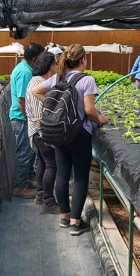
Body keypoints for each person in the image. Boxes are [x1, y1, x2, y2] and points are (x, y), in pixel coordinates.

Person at [32, 44, 109, 236]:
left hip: (59, 132)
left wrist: (57, 109)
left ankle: (65, 217)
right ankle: (76, 222)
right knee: (81, 176)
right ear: (83, 59)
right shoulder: (87, 80)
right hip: (79, 133)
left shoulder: (59, 77)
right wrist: (100, 120)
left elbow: (36, 91)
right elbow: (90, 110)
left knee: (62, 173)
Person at [25, 50, 59, 213]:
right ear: (50, 66)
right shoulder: (38, 84)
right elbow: (40, 116)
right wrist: (45, 135)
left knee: (42, 162)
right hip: (40, 131)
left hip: (35, 131)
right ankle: (48, 202)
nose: (58, 67)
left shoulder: (35, 80)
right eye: (56, 64)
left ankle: (40, 195)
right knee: (51, 165)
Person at [10, 42, 45, 199]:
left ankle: (28, 179)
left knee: (30, 151)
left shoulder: (25, 68)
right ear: (35, 58)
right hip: (21, 118)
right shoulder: (24, 72)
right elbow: (21, 99)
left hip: (23, 118)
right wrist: (29, 118)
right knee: (24, 152)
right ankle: (20, 186)